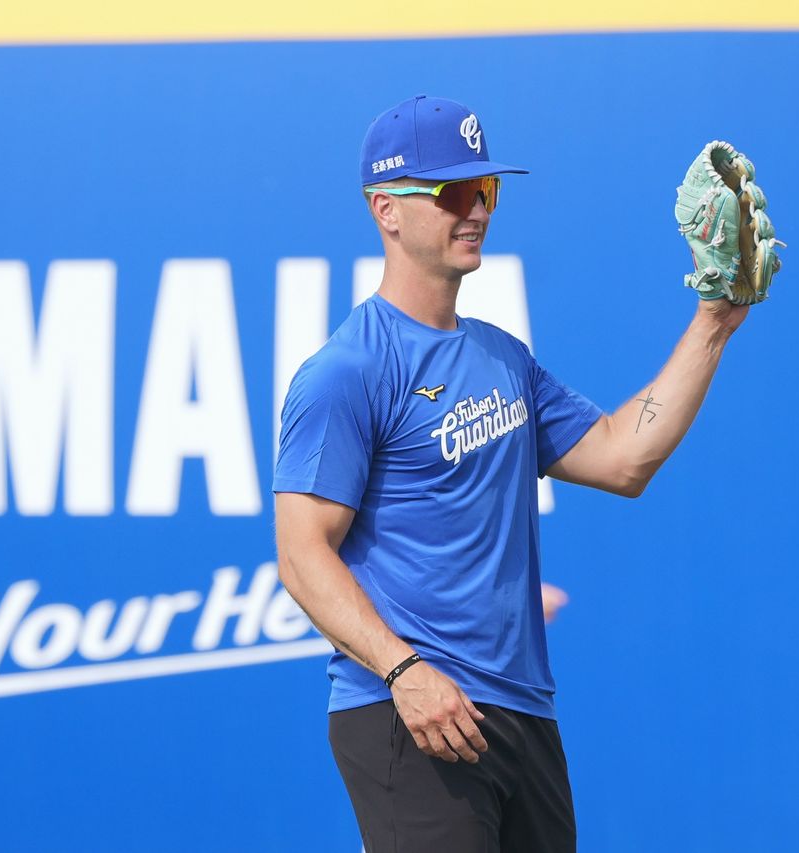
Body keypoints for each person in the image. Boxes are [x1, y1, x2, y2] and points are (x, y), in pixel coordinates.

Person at [273, 95, 750, 852]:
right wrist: (404, 673)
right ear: (385, 209)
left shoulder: (503, 356)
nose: (476, 210)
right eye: (453, 191)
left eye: (486, 189)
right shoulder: (348, 369)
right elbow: (302, 554)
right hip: (413, 711)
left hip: (522, 711)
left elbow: (622, 457)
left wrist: (714, 320)